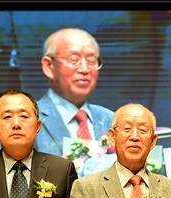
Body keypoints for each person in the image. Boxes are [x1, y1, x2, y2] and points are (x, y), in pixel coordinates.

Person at [36, 28, 114, 157]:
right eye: (74, 60)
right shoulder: (26, 121)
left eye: (91, 61)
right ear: (49, 66)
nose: (84, 69)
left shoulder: (110, 120)